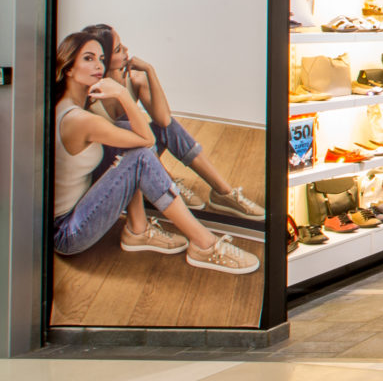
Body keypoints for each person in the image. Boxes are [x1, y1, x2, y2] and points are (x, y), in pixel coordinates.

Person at [50, 30, 258, 275]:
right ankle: (205, 244)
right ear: (68, 68)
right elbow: (146, 140)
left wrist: (141, 77)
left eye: (101, 58)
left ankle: (140, 229)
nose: (98, 65)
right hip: (68, 231)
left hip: (80, 206)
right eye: (88, 58)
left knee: (128, 134)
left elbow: (160, 122)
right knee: (139, 155)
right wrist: (121, 93)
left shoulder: (76, 105)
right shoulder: (79, 119)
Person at [79, 24, 265, 220]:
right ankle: (168, 183)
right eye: (118, 49)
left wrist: (150, 71)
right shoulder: (88, 91)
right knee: (126, 126)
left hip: (140, 151)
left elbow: (164, 120)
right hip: (111, 166)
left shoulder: (133, 79)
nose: (126, 50)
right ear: (103, 58)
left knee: (168, 127)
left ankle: (223, 192)